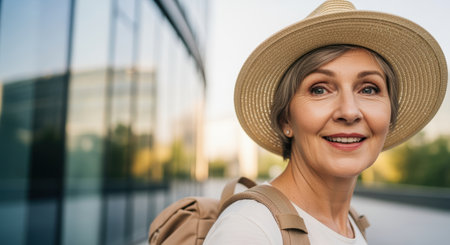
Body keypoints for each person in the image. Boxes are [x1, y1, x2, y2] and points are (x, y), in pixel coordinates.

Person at [204, 0, 447, 244]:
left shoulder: (352, 224)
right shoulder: (250, 229)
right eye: (320, 90)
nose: (349, 112)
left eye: (369, 89)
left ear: (390, 114)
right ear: (285, 119)